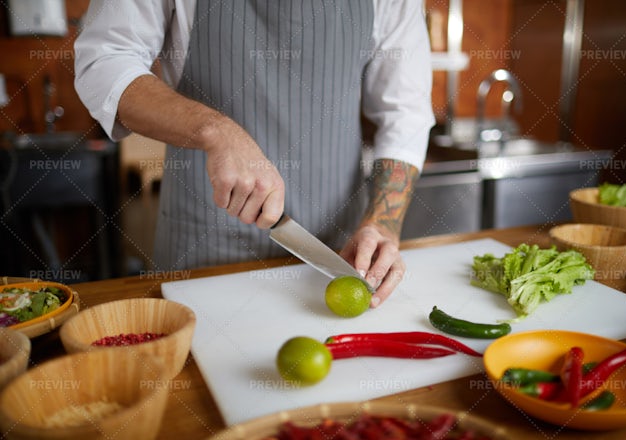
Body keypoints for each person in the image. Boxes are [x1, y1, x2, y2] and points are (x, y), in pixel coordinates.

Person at [74, 0, 435, 307]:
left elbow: (405, 112)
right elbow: (105, 62)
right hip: (203, 251)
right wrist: (214, 130)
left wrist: (383, 223)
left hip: (338, 253)